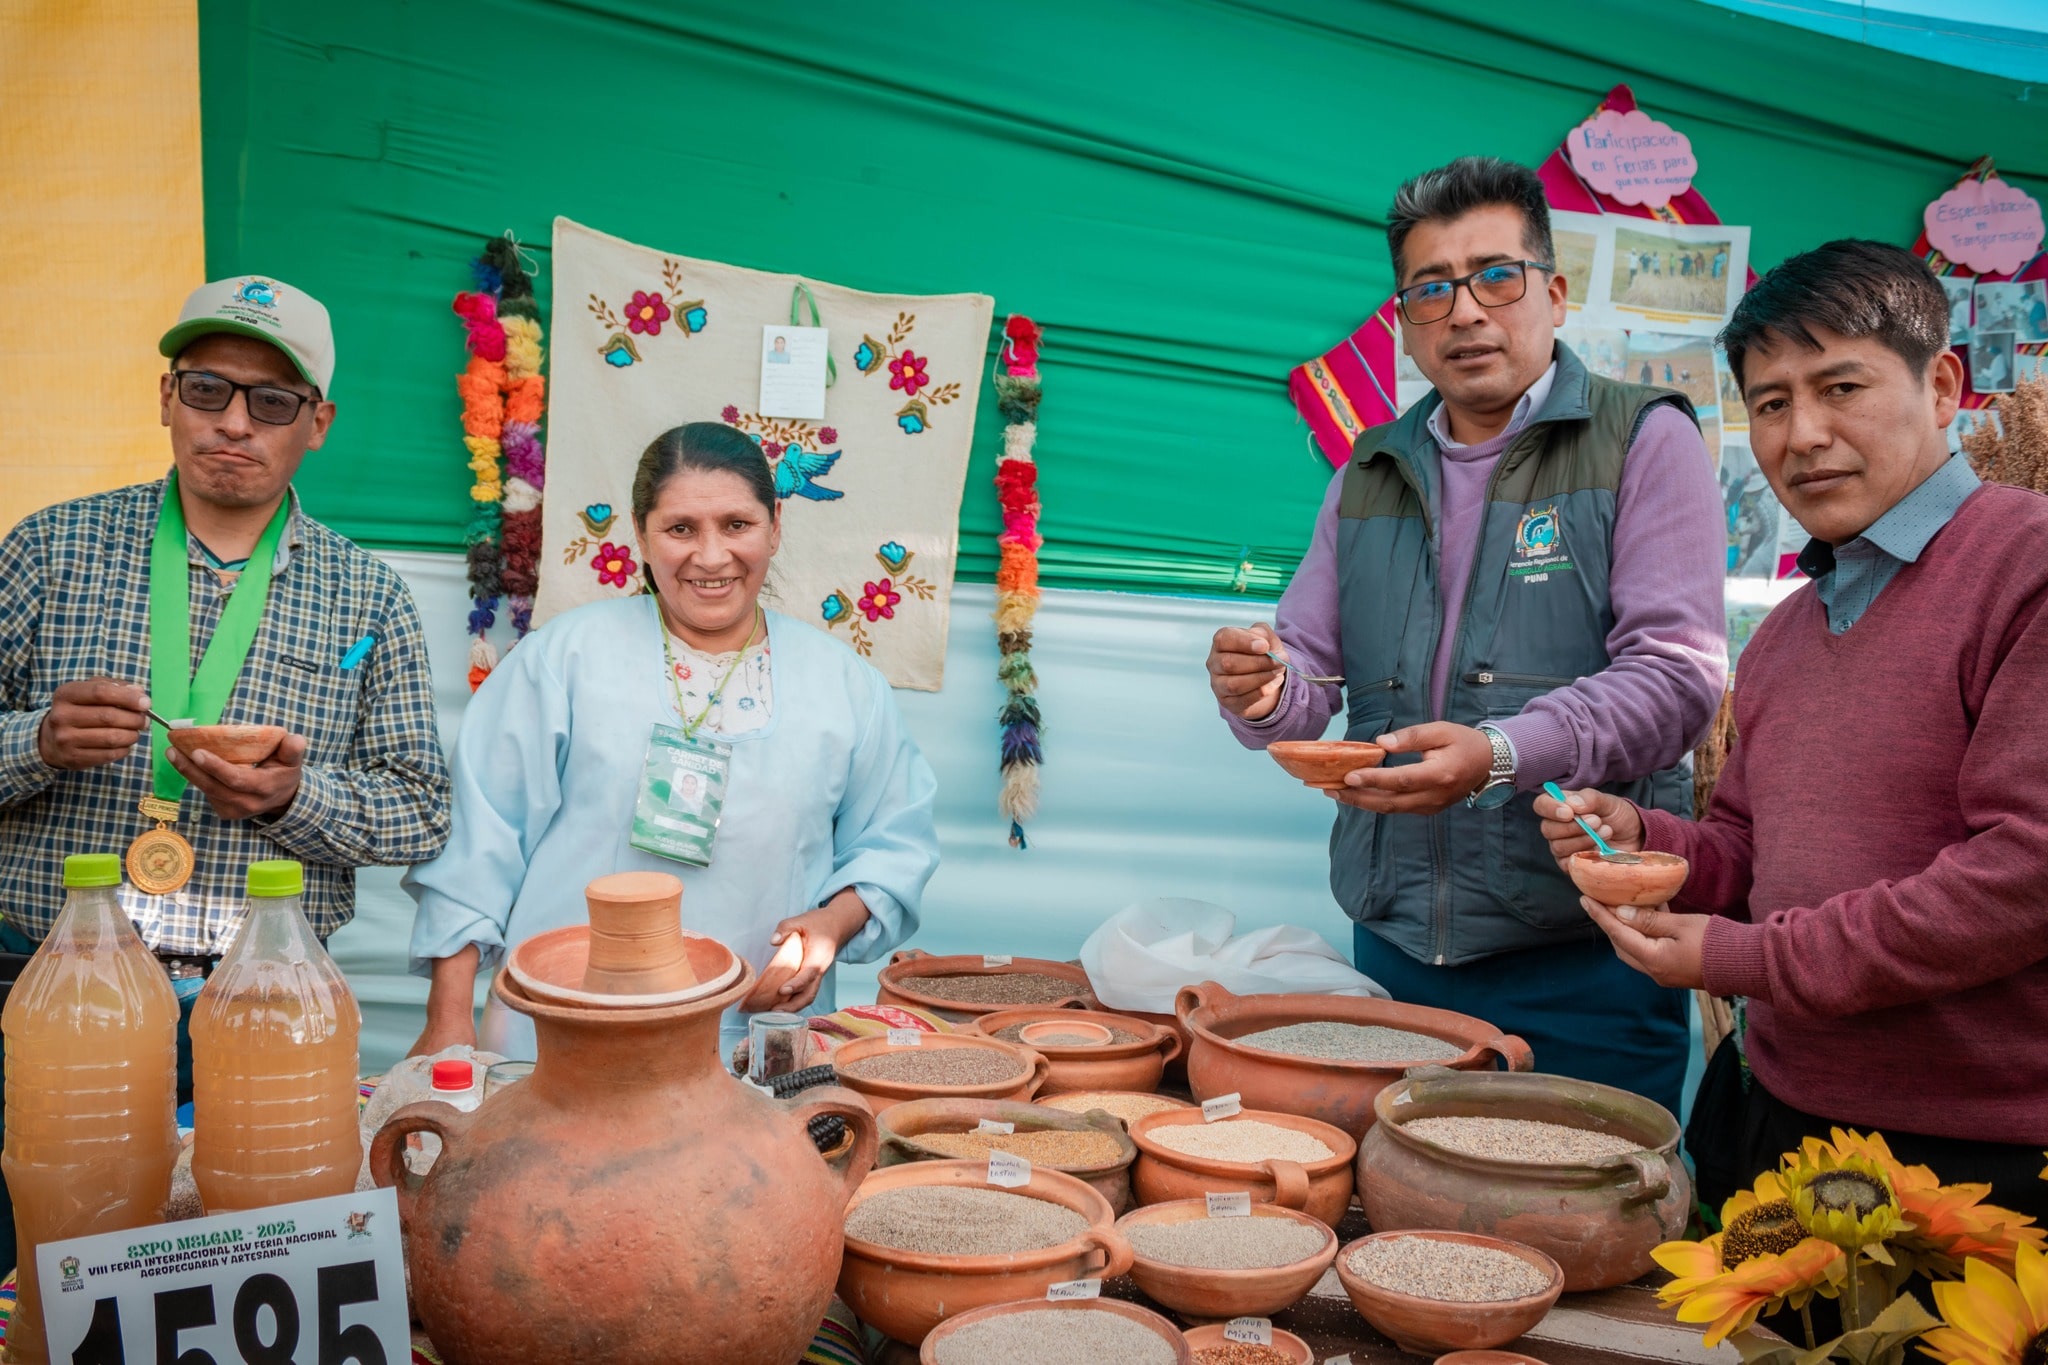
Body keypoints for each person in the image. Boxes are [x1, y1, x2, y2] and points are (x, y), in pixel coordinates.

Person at [1206, 156, 1727, 1116]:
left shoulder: (1643, 439)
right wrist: (1262, 685)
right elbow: (1307, 673)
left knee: (1584, 1237)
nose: (1466, 311)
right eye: (1431, 289)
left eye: (1496, 276)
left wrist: (1496, 755)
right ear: (1406, 318)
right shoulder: (1371, 467)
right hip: (1398, 948)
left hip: (1588, 951)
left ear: (1554, 294)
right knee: (1408, 1233)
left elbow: (1676, 680)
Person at [1543, 239, 2048, 1222]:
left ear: (1942, 386)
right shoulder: (1782, 630)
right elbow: (1746, 846)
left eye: (1839, 387)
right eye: (1769, 403)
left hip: (1970, 1162)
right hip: (1774, 1115)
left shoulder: (2023, 567)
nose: (1802, 433)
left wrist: (1739, 960)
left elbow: (2023, 872)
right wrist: (1655, 843)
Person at [0, 276, 451, 1262]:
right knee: (47, 1261)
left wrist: (295, 794)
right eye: (208, 390)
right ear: (168, 397)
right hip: (57, 995)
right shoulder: (48, 549)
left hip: (268, 1008)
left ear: (316, 424)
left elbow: (420, 810)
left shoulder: (367, 598)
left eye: (272, 401)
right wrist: (33, 741)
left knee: (254, 1256)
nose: (234, 423)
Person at [406, 421, 939, 1060]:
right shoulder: (564, 660)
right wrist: (447, 1019)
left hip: (753, 1037)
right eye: (681, 528)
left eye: (737, 525)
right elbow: (478, 841)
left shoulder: (846, 685)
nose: (711, 557)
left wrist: (832, 925)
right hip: (562, 1034)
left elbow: (892, 845)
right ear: (640, 534)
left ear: (776, 525)